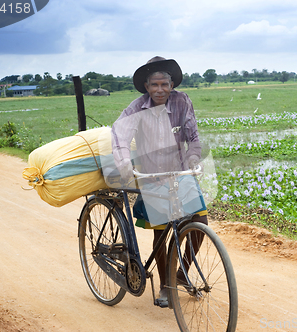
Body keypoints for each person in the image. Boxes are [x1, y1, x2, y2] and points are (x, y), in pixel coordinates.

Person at [111, 56, 208, 307]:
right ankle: (166, 286)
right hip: (152, 176)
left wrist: (193, 156)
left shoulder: (182, 101)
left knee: (200, 220)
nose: (160, 90)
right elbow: (119, 136)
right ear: (146, 86)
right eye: (154, 85)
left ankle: (181, 272)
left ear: (172, 84)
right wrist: (124, 164)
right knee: (162, 231)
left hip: (178, 172)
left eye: (164, 84)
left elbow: (193, 136)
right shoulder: (136, 108)